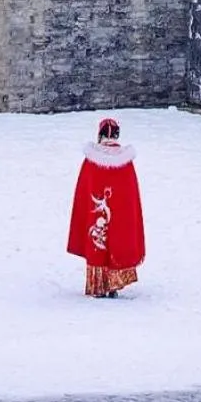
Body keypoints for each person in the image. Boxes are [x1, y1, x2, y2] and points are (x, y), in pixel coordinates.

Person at [67, 116, 145, 297]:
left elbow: (84, 191)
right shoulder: (125, 161)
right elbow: (130, 195)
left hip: (96, 213)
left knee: (97, 241)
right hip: (118, 215)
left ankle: (98, 286)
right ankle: (113, 285)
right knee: (117, 240)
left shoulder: (91, 160)